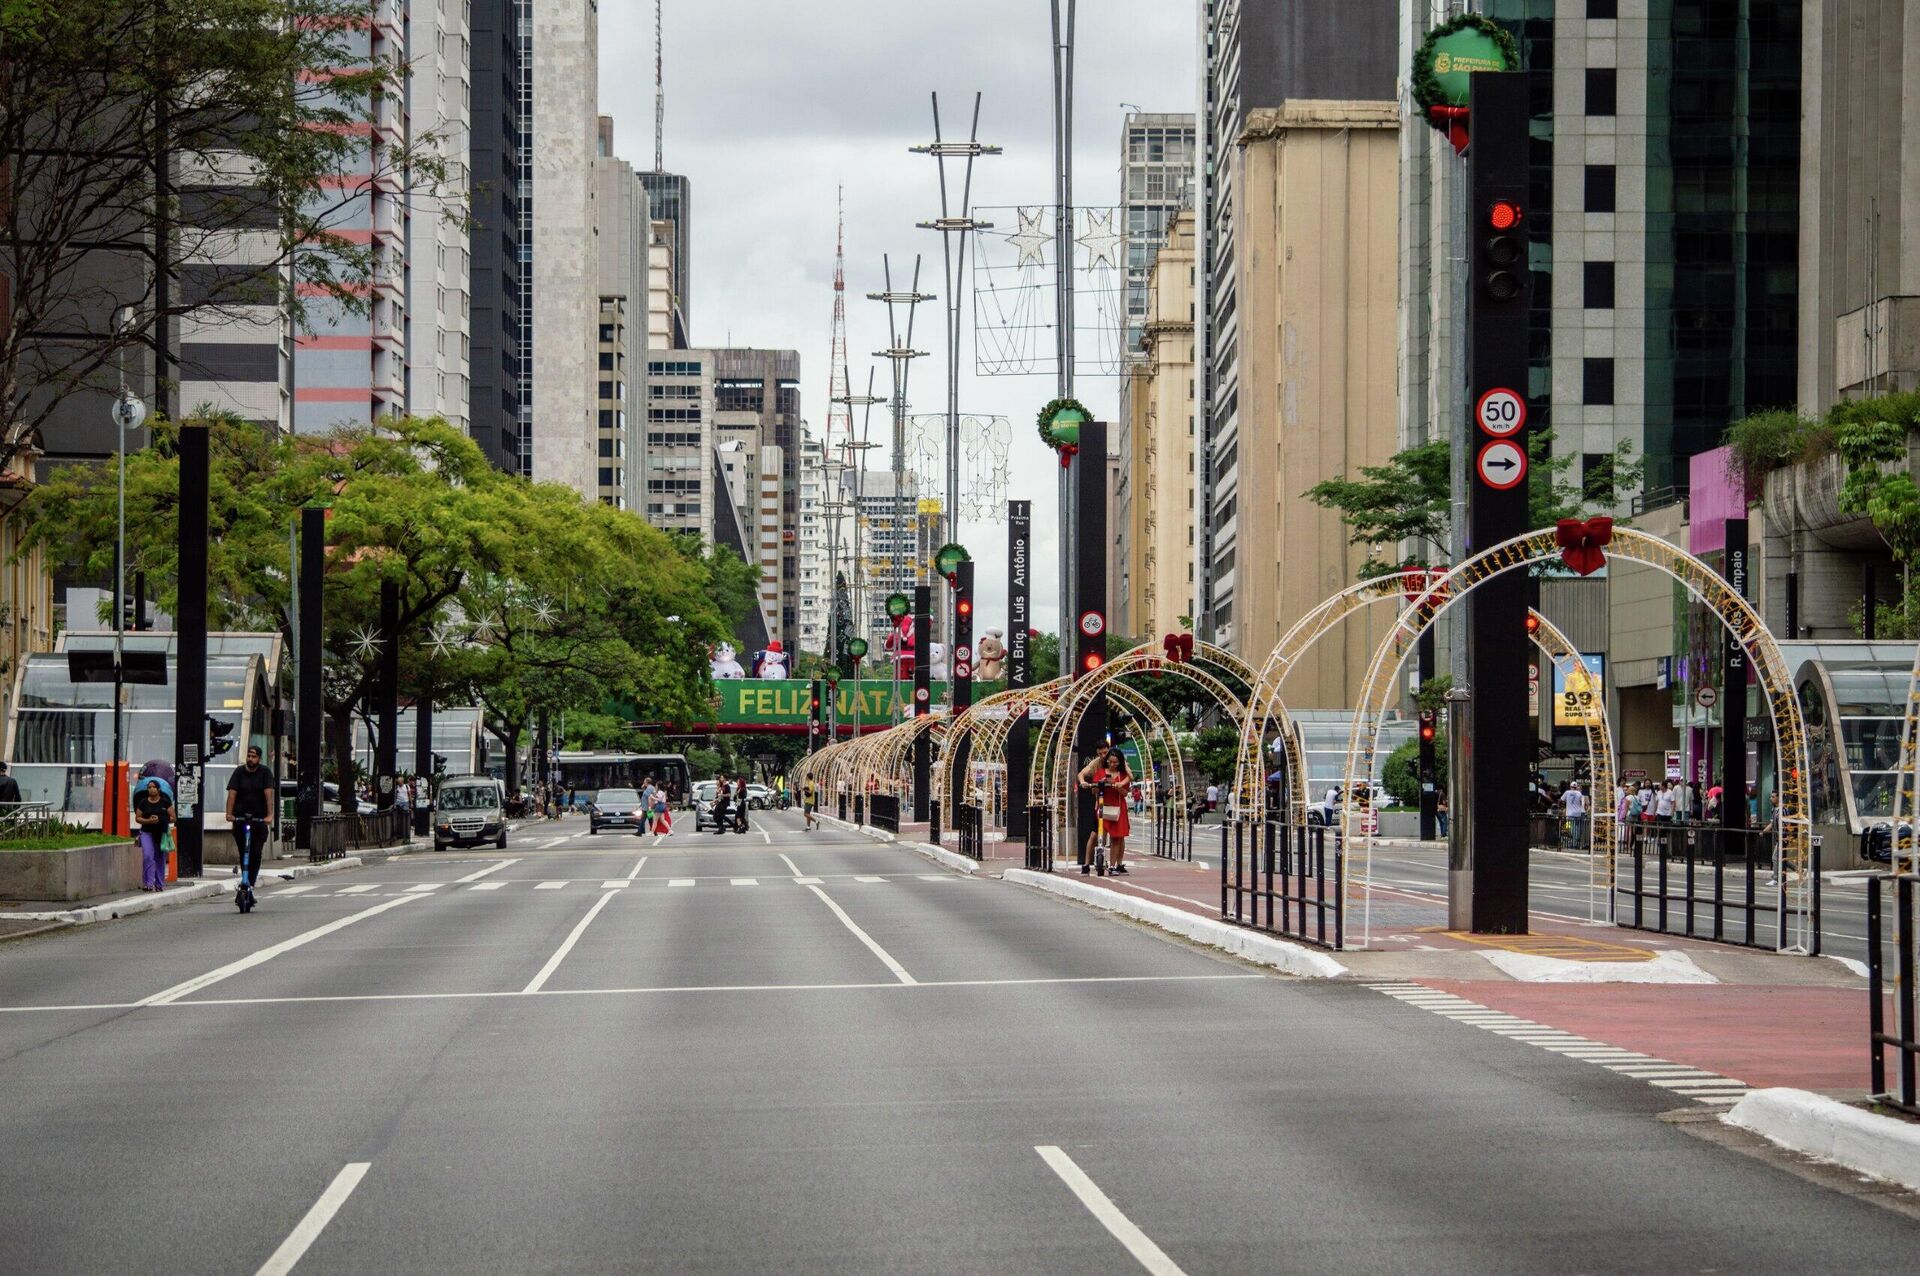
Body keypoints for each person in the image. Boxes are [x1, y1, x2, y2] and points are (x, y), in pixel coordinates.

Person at [224, 745, 276, 895]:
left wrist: (269, 815)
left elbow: (268, 796)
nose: (250, 759)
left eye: (254, 757)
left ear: (259, 758)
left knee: (255, 852)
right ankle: (244, 880)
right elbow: (232, 794)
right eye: (249, 756)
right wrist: (229, 814)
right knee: (243, 852)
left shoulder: (265, 772)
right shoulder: (239, 772)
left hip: (258, 819)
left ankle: (250, 883)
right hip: (240, 818)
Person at [1077, 747, 1134, 876]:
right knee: (1095, 835)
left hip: (1118, 809)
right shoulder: (1100, 772)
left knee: (1117, 838)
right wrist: (1098, 784)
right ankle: (1087, 864)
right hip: (1103, 808)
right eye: (1111, 761)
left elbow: (1125, 793)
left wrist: (1118, 787)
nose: (1113, 764)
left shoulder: (1123, 774)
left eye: (1115, 762)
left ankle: (1113, 865)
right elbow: (1094, 791)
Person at [133, 777, 173, 892]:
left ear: (158, 789)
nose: (151, 789)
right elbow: (138, 818)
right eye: (149, 787)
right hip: (146, 833)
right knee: (148, 856)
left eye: (154, 787)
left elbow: (173, 817)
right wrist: (149, 821)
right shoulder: (143, 802)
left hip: (161, 833)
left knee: (160, 858)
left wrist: (160, 819)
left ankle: (159, 884)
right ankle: (148, 883)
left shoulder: (165, 802)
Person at [1561, 780, 1588, 850]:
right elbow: (1582, 803)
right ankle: (1577, 842)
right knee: (1577, 828)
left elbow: (1561, 800)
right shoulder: (1579, 793)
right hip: (1578, 813)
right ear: (1576, 787)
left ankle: (1574, 843)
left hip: (1570, 813)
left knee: (1573, 828)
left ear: (1570, 787)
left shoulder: (1567, 792)